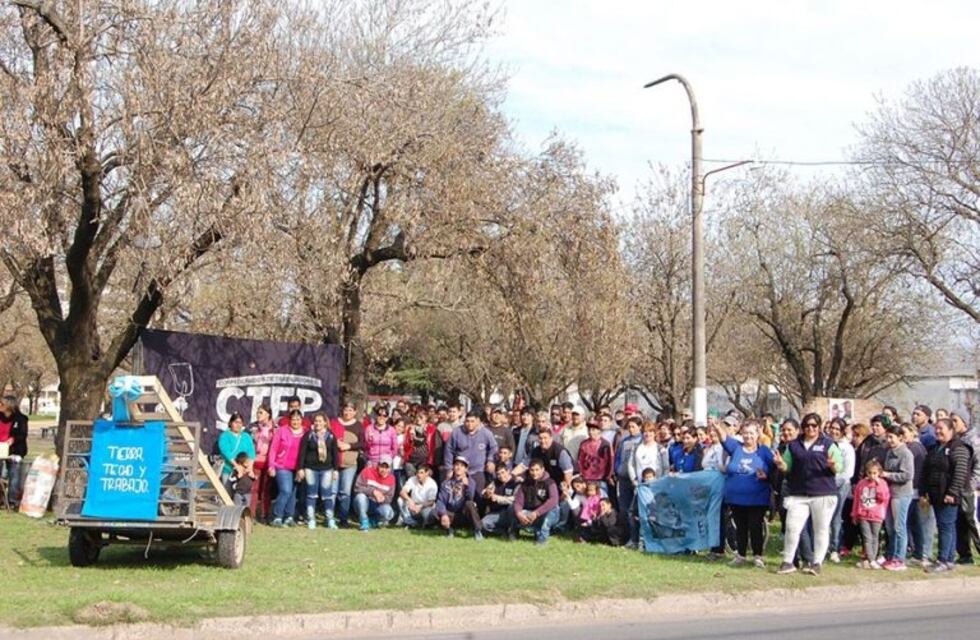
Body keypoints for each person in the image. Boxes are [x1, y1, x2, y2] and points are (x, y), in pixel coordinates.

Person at [773, 412, 842, 576]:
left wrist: (832, 465)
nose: (810, 428)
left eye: (814, 425)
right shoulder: (794, 445)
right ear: (803, 427)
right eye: (807, 425)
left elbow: (839, 467)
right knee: (792, 527)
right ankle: (788, 561)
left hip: (823, 492)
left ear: (819, 427)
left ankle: (817, 562)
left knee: (821, 529)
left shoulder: (828, 444)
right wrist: (781, 464)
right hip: (798, 493)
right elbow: (787, 467)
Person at [717, 419, 774, 568]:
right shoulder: (736, 448)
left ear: (757, 434)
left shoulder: (764, 451)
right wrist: (717, 427)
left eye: (751, 433)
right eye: (745, 433)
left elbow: (775, 469)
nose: (748, 436)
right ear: (741, 434)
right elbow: (723, 438)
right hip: (736, 497)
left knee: (755, 527)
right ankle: (740, 555)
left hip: (757, 498)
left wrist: (767, 476)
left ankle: (758, 556)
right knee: (740, 528)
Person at [921, 418, 971, 573]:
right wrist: (924, 492)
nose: (937, 432)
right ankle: (949, 559)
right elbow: (926, 470)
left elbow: (960, 473)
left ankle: (942, 560)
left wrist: (952, 493)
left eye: (941, 428)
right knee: (947, 526)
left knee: (945, 526)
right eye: (936, 429)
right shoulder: (935, 448)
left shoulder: (959, 448)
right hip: (935, 494)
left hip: (949, 495)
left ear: (951, 430)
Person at [879, 424, 915, 571]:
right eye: (887, 437)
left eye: (891, 437)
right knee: (890, 527)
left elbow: (907, 475)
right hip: (890, 493)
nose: (889, 440)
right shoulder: (889, 452)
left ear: (900, 437)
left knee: (899, 527)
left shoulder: (906, 454)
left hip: (901, 494)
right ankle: (891, 555)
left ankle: (900, 559)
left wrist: (888, 475)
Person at [298, 413, 340, 529]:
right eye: (316, 421)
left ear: (325, 422)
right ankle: (311, 519)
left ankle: (330, 519)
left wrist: (336, 469)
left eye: (320, 421)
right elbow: (302, 453)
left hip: (327, 469)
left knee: (327, 495)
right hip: (310, 469)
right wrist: (300, 468)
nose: (318, 423)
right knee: (311, 494)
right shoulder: (309, 435)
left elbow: (335, 454)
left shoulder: (330, 436)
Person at [901, 423, 934, 568]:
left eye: (905, 432)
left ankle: (922, 554)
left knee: (919, 524)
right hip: (913, 491)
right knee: (913, 524)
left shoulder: (915, 448)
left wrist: (921, 491)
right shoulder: (912, 448)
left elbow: (917, 472)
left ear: (912, 433)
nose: (902, 436)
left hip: (916, 491)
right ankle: (918, 553)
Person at [443, 411, 498, 497]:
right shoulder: (457, 432)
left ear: (478, 421)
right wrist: (449, 468)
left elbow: (494, 447)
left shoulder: (486, 433)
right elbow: (448, 450)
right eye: (467, 421)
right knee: (458, 496)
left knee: (478, 496)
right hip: (460, 471)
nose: (469, 424)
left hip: (478, 470)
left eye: (472, 421)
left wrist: (490, 460)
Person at [267, 409, 307, 527]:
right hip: (282, 466)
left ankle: (289, 516)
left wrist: (303, 468)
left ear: (302, 420)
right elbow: (273, 449)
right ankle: (276, 516)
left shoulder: (306, 432)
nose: (295, 422)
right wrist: (271, 466)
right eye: (293, 419)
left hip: (298, 468)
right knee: (285, 490)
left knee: (293, 493)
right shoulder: (282, 431)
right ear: (289, 420)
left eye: (298, 419)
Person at [950, 411, 980, 564]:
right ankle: (965, 555)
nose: (952, 423)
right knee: (959, 522)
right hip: (957, 488)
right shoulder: (955, 440)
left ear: (964, 423)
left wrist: (972, 485)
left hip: (968, 488)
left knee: (971, 521)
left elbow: (978, 466)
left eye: (955, 420)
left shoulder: (972, 441)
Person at [511, 459, 560, 545]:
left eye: (537, 470)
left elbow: (553, 500)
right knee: (513, 510)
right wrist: (519, 514)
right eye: (532, 470)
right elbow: (518, 502)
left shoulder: (550, 482)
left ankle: (542, 540)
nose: (534, 473)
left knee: (549, 515)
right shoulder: (525, 484)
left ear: (542, 469)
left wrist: (537, 513)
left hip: (548, 512)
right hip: (532, 512)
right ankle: (514, 533)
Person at [851, 459, 890, 569]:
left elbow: (884, 497)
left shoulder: (882, 483)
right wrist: (854, 514)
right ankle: (871, 559)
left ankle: (871, 558)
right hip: (863, 514)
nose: (872, 475)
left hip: (877, 515)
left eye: (875, 473)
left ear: (879, 473)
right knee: (866, 537)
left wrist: (878, 485)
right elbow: (857, 500)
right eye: (870, 473)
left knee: (875, 537)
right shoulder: (861, 484)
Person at [331, 402, 364, 527]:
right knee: (332, 492)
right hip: (334, 463)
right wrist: (336, 444)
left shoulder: (358, 426)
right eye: (346, 410)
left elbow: (363, 443)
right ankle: (330, 517)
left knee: (345, 492)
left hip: (350, 463)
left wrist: (349, 446)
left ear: (355, 412)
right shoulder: (334, 423)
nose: (348, 412)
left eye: (350, 410)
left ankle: (343, 518)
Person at [827, 418, 855, 563]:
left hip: (841, 485)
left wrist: (833, 481)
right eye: (832, 428)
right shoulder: (826, 444)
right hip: (825, 485)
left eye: (837, 429)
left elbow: (847, 472)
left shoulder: (847, 448)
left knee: (836, 517)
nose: (834, 431)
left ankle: (835, 548)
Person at [435, 456, 484, 540]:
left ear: (466, 469)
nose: (458, 468)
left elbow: (470, 497)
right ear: (453, 467)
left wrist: (467, 486)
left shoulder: (471, 482)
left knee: (470, 504)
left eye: (462, 466)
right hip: (451, 514)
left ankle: (477, 531)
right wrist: (443, 514)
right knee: (435, 512)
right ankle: (449, 529)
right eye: (456, 465)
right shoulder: (446, 483)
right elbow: (440, 501)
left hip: (464, 515)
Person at [248, 404, 276, 523]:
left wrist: (273, 464)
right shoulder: (252, 428)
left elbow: (276, 446)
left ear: (268, 414)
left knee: (266, 490)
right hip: (255, 462)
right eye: (257, 412)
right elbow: (249, 445)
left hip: (268, 463)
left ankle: (265, 515)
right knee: (253, 489)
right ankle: (251, 515)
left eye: (261, 412)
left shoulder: (275, 428)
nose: (258, 415)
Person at [353, 456, 396, 530]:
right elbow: (357, 488)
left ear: (390, 469)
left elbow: (390, 497)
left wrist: (383, 498)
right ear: (378, 465)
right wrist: (373, 491)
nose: (384, 470)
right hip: (365, 503)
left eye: (387, 468)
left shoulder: (392, 479)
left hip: (378, 505)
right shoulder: (367, 471)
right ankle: (364, 520)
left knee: (389, 513)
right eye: (382, 467)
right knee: (360, 497)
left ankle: (373, 521)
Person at [0, 395, 28, 507]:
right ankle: (1, 500)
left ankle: (12, 501)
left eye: (2, 404)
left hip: (14, 451)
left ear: (9, 406)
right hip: (1, 449)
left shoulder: (20, 419)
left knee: (14, 475)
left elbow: (22, 435)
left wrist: (13, 439)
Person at [482, 465, 520, 535]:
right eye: (498, 474)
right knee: (483, 524)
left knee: (512, 506)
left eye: (503, 472)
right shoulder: (495, 482)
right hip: (497, 513)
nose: (501, 476)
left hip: (511, 514)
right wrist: (487, 494)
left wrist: (498, 498)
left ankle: (513, 531)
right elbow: (485, 491)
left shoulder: (516, 482)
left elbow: (515, 499)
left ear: (508, 471)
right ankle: (503, 532)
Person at [577, 422, 614, 495]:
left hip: (600, 478)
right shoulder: (584, 444)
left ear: (599, 431)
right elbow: (580, 460)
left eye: (593, 429)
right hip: (587, 477)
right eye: (589, 430)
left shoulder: (605, 444)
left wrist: (608, 476)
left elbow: (610, 461)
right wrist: (581, 473)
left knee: (602, 498)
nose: (590, 432)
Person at [398, 463, 438, 528]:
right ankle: (409, 521)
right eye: (417, 473)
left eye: (421, 473)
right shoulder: (412, 479)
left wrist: (420, 506)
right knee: (400, 500)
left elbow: (431, 502)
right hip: (413, 505)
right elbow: (402, 492)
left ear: (427, 473)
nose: (419, 475)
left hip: (425, 506)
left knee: (427, 513)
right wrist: (410, 500)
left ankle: (422, 524)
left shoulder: (432, 484)